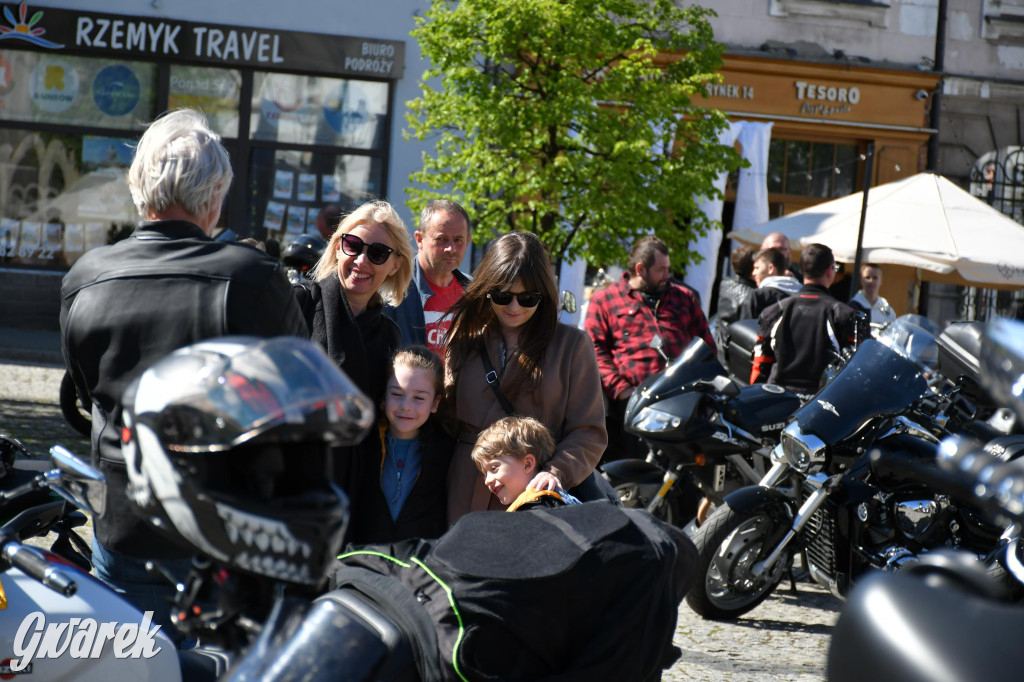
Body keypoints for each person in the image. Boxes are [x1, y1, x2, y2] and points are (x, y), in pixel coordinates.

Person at [59, 108, 308, 635]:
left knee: (129, 666)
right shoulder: (254, 277)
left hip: (126, 520)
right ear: (216, 194)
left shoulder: (86, 277)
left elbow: (84, 394)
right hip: (226, 530)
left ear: (138, 185)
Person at [444, 232, 607, 523]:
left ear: (544, 296)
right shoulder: (465, 340)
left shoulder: (571, 345)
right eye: (503, 295)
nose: (514, 307)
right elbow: (444, 419)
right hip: (465, 486)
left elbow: (589, 432)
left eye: (528, 298)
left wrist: (555, 472)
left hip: (533, 495)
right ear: (486, 290)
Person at [584, 235, 714, 460]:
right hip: (633, 405)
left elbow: (706, 345)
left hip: (683, 403)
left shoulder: (685, 297)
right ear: (640, 269)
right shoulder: (604, 300)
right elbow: (594, 351)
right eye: (661, 270)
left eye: (668, 269)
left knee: (687, 479)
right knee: (639, 474)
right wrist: (622, 390)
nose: (668, 275)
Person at [294, 200, 413, 408]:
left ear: (395, 265)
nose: (361, 261)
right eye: (353, 245)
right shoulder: (300, 302)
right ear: (338, 248)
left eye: (378, 253)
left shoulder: (389, 335)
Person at [348, 346, 454, 544]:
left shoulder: (446, 451)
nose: (406, 405)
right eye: (397, 394)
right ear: (383, 397)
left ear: (435, 403)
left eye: (419, 398)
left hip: (419, 564)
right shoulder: (363, 445)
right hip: (367, 561)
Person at [750, 243, 861, 397]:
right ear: (830, 271)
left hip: (777, 404)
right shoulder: (845, 315)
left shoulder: (773, 312)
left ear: (801, 271)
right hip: (820, 407)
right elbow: (857, 370)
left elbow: (760, 367)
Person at [384, 200, 472, 355]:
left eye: (458, 240)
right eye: (441, 239)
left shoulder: (475, 293)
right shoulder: (392, 290)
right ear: (419, 240)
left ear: (468, 242)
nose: (450, 248)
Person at [472, 415, 582, 512]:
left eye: (494, 468)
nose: (487, 481)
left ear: (528, 464)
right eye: (485, 474)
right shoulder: (551, 502)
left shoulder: (538, 508)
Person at [739, 247, 802, 320]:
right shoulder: (802, 293)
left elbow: (746, 325)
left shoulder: (757, 296)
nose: (753, 273)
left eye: (757, 268)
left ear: (771, 269)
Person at [714, 243, 758, 338]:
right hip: (736, 344)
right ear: (755, 267)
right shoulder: (753, 294)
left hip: (721, 340)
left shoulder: (725, 283)